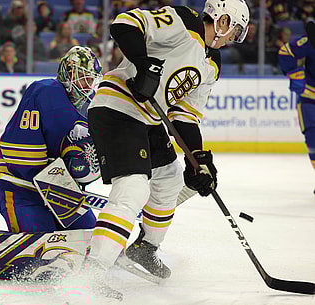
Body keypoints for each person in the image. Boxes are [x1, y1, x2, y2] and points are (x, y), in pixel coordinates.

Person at [84, 0, 250, 299]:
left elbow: (185, 115)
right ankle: (92, 271)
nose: (232, 38)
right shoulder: (184, 20)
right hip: (118, 107)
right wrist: (142, 61)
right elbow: (125, 23)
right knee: (133, 188)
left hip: (148, 119)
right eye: (234, 30)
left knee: (170, 180)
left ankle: (144, 249)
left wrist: (197, 158)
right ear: (223, 20)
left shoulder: (212, 63)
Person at [0, 46, 103, 234]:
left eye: (91, 79)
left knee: (94, 240)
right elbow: (18, 152)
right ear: (67, 73)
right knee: (43, 244)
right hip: (22, 189)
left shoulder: (94, 104)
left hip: (64, 192)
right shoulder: (43, 92)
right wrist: (53, 173)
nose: (87, 84)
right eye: (82, 77)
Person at [278, 21, 315, 194]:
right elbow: (286, 51)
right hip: (309, 98)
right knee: (313, 139)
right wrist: (295, 73)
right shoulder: (311, 40)